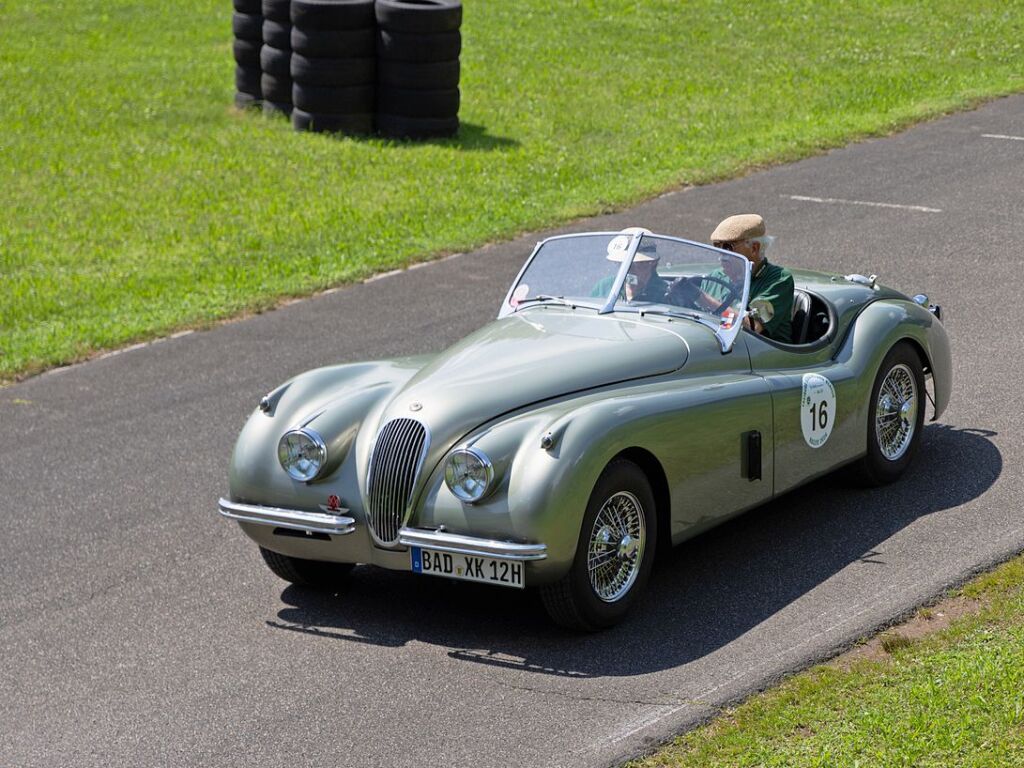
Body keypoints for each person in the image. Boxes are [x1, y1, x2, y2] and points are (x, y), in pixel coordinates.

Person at [709, 214, 794, 342]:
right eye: (717, 246)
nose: (722, 255)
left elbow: (753, 326)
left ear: (754, 248)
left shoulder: (778, 280)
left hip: (765, 357)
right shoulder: (715, 277)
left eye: (727, 247)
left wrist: (703, 299)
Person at [590, 227, 669, 302]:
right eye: (622, 263)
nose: (627, 269)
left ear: (652, 264)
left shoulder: (665, 294)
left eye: (635, 264)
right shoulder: (603, 287)